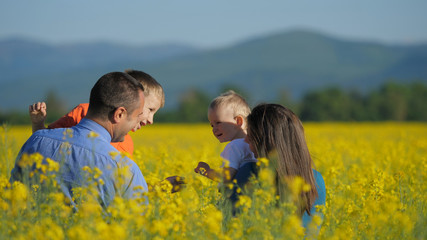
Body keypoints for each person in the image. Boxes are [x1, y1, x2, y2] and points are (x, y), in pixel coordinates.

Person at [10, 72, 149, 208]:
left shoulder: (36, 140)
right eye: (137, 116)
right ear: (119, 114)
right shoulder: (125, 169)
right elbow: (137, 224)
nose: (137, 123)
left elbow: (12, 199)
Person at [28, 69, 165, 157]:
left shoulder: (126, 143)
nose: (151, 120)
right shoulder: (83, 112)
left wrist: (159, 188)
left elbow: (123, 186)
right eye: (150, 110)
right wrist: (38, 123)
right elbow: (44, 143)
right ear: (136, 98)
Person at [232, 103, 326, 228]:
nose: (246, 140)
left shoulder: (248, 174)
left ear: (267, 142)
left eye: (251, 135)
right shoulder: (316, 180)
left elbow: (230, 227)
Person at [194, 90, 257, 183]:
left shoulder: (234, 146)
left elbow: (226, 177)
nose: (214, 129)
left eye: (218, 122)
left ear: (238, 121)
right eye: (212, 125)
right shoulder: (255, 143)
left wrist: (207, 171)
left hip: (238, 195)